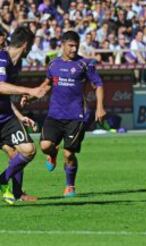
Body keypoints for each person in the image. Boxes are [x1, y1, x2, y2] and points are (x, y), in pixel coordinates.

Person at [38, 31, 106, 197]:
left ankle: (70, 186)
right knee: (45, 146)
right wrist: (31, 96)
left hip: (76, 116)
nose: (74, 49)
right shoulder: (53, 64)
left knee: (69, 154)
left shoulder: (84, 64)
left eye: (76, 45)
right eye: (70, 46)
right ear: (62, 45)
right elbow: (47, 85)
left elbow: (98, 85)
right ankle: (52, 155)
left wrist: (100, 107)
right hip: (54, 114)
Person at [0, 26, 49, 205]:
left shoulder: (17, 63)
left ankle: (6, 184)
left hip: (6, 118)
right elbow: (0, 87)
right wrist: (30, 90)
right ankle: (13, 190)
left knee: (27, 150)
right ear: (26, 45)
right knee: (14, 154)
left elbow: (5, 94)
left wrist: (20, 114)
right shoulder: (1, 58)